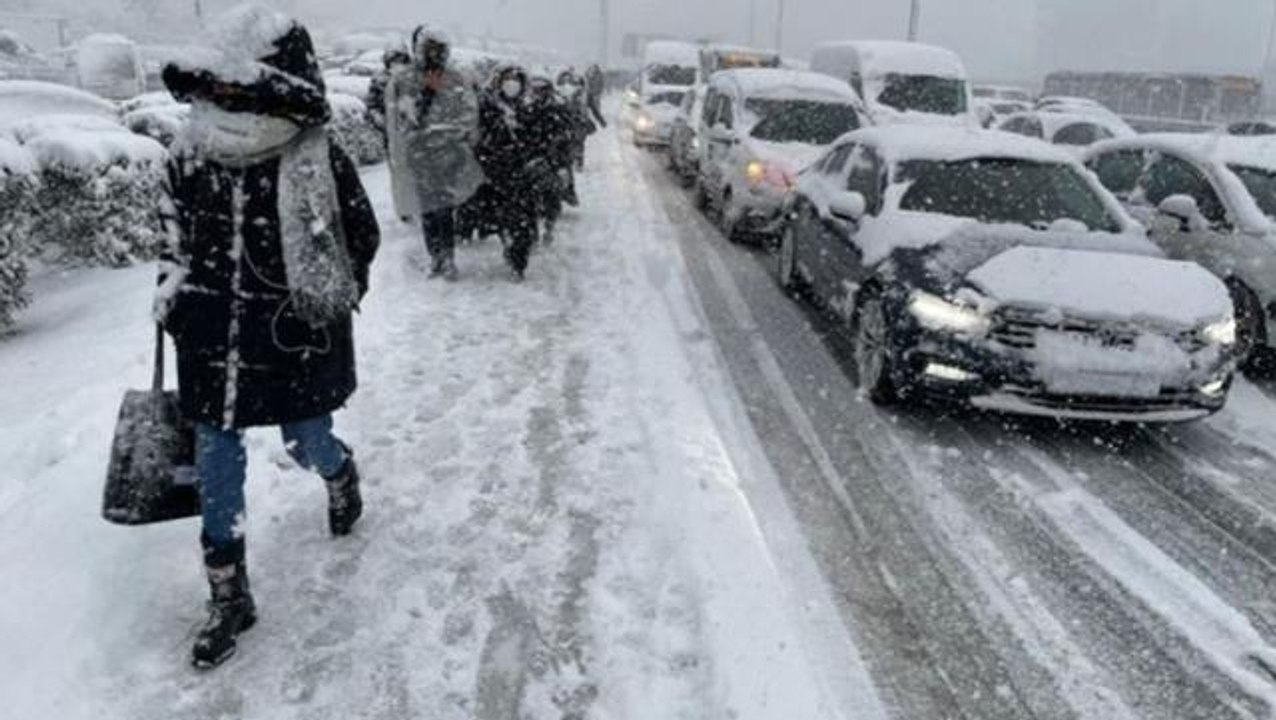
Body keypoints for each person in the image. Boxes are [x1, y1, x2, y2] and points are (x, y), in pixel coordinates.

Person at [156, 5, 381, 670]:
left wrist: (320, 302)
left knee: (305, 440)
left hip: (291, 337)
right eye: (215, 88)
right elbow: (170, 238)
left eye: (235, 88)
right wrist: (174, 295)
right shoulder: (188, 153)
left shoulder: (314, 157)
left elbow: (357, 239)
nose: (222, 99)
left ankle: (340, 474)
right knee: (216, 458)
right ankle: (228, 594)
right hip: (210, 338)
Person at [386, 27, 484, 280]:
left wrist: (452, 136)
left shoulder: (455, 79)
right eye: (428, 49)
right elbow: (399, 118)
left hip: (448, 154)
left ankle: (448, 258)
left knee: (444, 208)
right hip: (419, 154)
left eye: (437, 49)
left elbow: (468, 113)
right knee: (427, 208)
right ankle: (435, 257)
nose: (433, 54)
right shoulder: (405, 80)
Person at [475, 65, 538, 280]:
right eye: (507, 79)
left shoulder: (529, 108)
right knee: (498, 218)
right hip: (493, 173)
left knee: (522, 223)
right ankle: (507, 245)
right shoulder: (486, 106)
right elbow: (477, 138)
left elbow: (538, 139)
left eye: (516, 79)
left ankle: (517, 261)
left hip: (521, 176)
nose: (512, 84)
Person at [523, 77, 577, 245]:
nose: (537, 93)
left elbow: (568, 135)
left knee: (552, 197)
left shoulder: (559, 109)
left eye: (541, 90)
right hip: (533, 160)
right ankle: (533, 233)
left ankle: (549, 228)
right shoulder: (527, 109)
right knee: (528, 199)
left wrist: (560, 157)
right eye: (535, 90)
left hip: (554, 161)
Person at [365, 48, 410, 147]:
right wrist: (379, 119)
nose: (398, 66)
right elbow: (372, 105)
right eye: (394, 62)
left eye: (401, 62)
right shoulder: (379, 80)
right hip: (390, 130)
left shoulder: (413, 79)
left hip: (411, 131)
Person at [556, 68, 595, 172]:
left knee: (578, 143)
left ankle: (578, 162)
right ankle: (574, 161)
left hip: (579, 122)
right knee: (573, 142)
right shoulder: (562, 95)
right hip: (572, 122)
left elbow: (590, 107)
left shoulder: (582, 95)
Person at [584, 63, 608, 129]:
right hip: (589, 93)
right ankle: (601, 121)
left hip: (595, 92)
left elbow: (601, 83)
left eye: (594, 68)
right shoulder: (588, 75)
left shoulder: (599, 75)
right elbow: (587, 82)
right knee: (593, 107)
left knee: (595, 106)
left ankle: (601, 121)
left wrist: (599, 90)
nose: (593, 69)